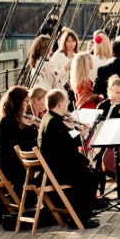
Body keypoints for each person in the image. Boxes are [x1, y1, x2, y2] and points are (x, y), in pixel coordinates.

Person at [39, 89, 105, 228]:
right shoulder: (54, 122)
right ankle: (79, 219)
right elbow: (67, 152)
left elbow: (65, 144)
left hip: (56, 167)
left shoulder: (48, 118)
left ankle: (82, 211)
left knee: (91, 175)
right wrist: (85, 162)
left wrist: (82, 136)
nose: (68, 104)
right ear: (59, 104)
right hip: (58, 171)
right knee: (91, 179)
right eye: (66, 101)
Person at [0, 86, 38, 197]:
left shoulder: (7, 120)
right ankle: (36, 192)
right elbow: (23, 143)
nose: (27, 104)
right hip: (12, 168)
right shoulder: (10, 122)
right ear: (19, 102)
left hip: (8, 165)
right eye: (26, 101)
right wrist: (34, 130)